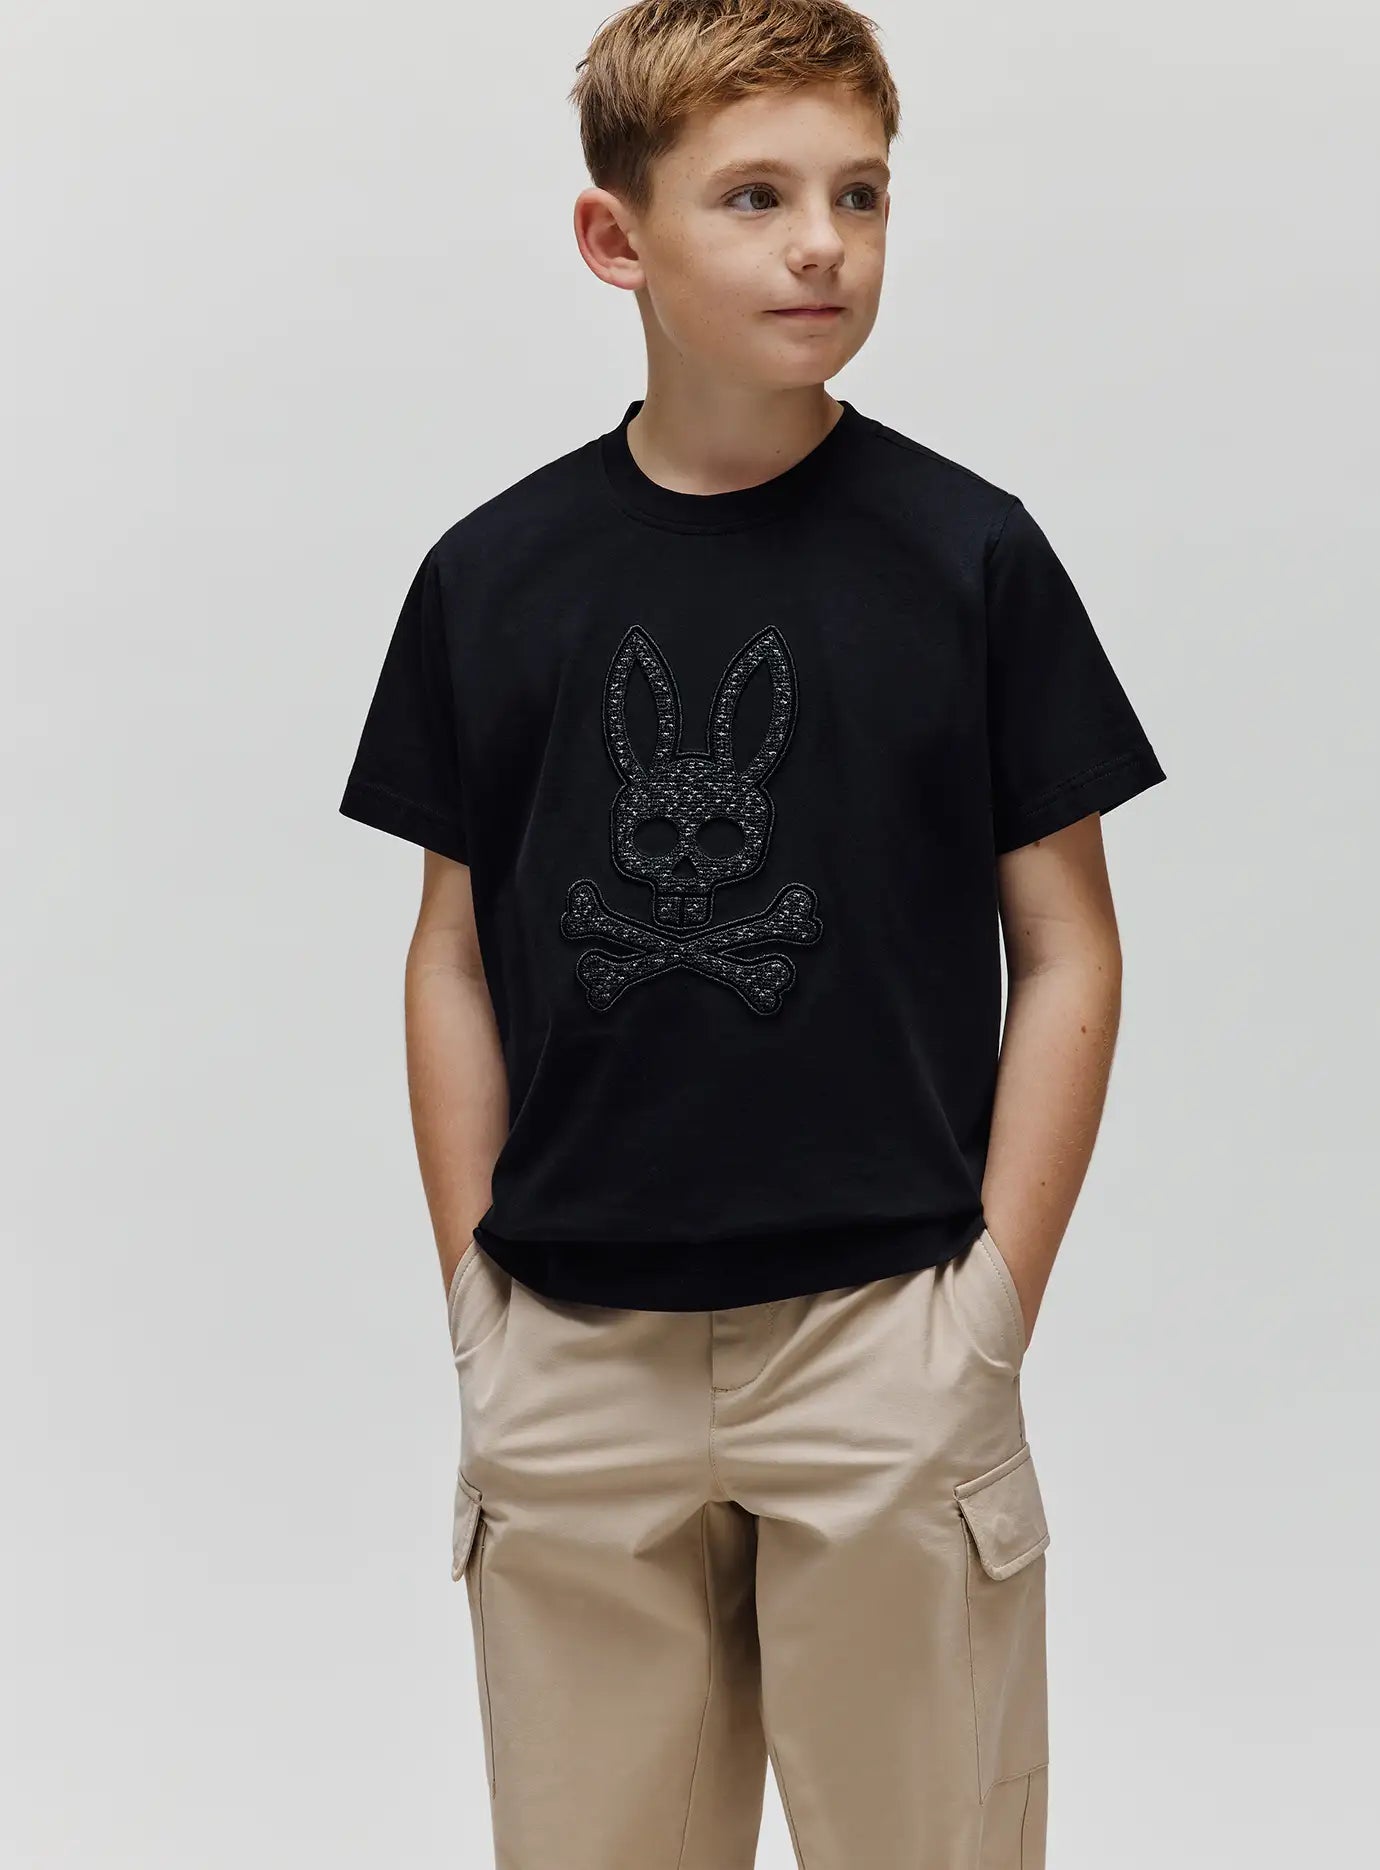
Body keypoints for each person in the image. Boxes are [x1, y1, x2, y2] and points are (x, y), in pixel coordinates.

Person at [337, 3, 1166, 1864]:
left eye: (860, 195)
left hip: (886, 1342)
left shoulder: (970, 558)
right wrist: (477, 1300)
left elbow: (1071, 945)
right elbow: (449, 950)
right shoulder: (492, 580)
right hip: (570, 1355)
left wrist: (985, 1319)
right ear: (613, 236)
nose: (822, 244)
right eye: (756, 196)